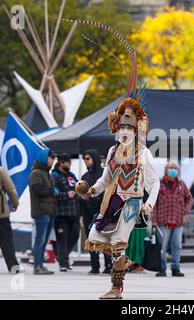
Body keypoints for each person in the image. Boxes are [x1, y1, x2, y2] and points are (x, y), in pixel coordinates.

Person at [71, 19, 161, 299]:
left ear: (136, 132)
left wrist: (148, 203)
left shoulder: (142, 153)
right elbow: (104, 179)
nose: (124, 131)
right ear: (116, 129)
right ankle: (117, 285)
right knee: (102, 240)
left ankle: (115, 286)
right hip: (112, 200)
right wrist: (91, 190)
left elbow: (154, 182)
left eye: (128, 128)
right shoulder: (111, 152)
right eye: (121, 127)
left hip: (132, 202)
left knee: (120, 242)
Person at [152, 161, 193, 277]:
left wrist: (184, 211)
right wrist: (153, 218)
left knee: (177, 246)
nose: (173, 171)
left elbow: (189, 199)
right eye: (171, 168)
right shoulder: (159, 183)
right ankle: (162, 268)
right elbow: (153, 202)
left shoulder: (181, 184)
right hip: (162, 221)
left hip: (178, 221)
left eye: (175, 169)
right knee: (162, 247)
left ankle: (176, 268)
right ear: (166, 170)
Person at [79, 149, 112, 274]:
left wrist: (98, 200)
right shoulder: (85, 177)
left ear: (94, 158)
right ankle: (95, 266)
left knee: (104, 238)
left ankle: (108, 265)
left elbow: (108, 190)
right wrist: (83, 200)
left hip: (102, 212)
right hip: (88, 213)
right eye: (84, 159)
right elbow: (80, 194)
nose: (86, 161)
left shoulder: (104, 174)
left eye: (88, 158)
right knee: (91, 239)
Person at [29, 148, 56, 275]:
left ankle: (40, 264)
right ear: (45, 158)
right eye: (51, 158)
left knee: (44, 240)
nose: (53, 160)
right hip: (41, 211)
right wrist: (51, 191)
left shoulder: (47, 173)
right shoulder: (36, 173)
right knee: (40, 239)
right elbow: (37, 191)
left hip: (49, 211)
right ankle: (37, 266)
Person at [52, 153, 81, 272]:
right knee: (62, 239)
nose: (70, 164)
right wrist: (65, 195)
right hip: (61, 214)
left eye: (70, 162)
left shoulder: (71, 175)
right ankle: (63, 262)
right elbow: (52, 192)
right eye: (67, 162)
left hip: (74, 213)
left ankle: (62, 256)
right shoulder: (54, 175)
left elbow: (78, 186)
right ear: (61, 163)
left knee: (75, 236)